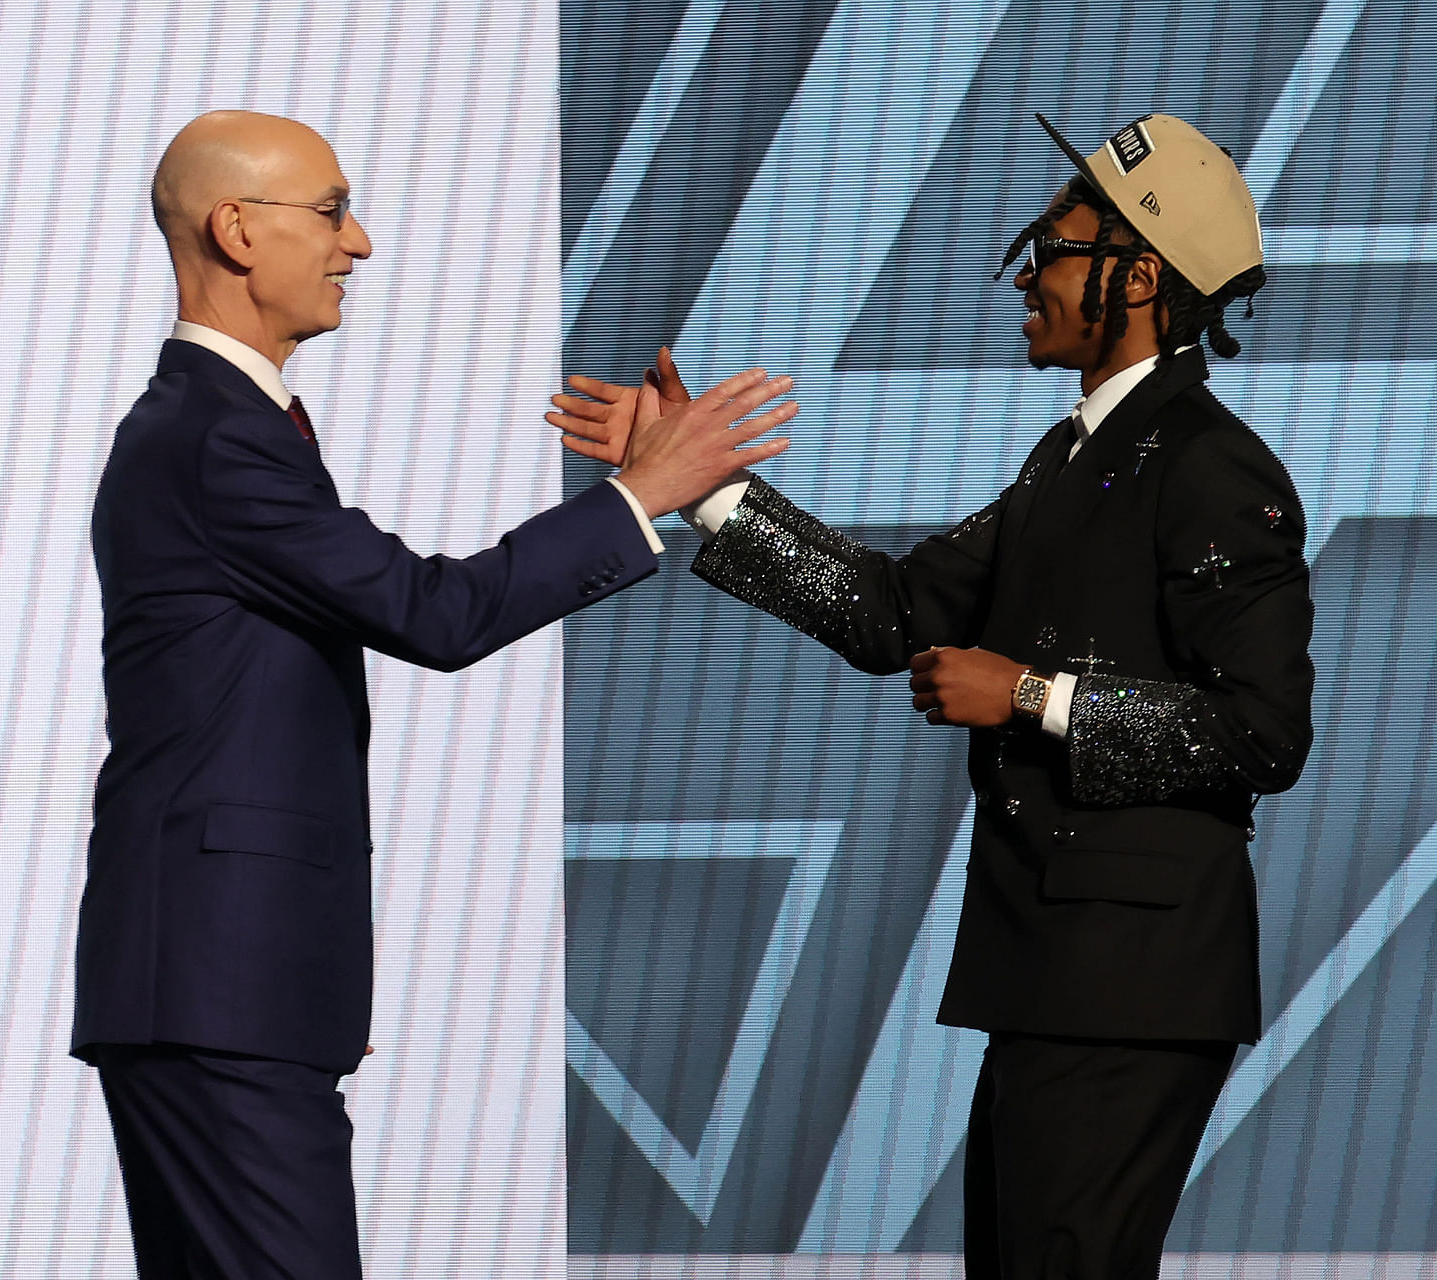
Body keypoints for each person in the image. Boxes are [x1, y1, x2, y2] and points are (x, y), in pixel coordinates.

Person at [554, 113, 1314, 1278]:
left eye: (1055, 245)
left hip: (1130, 983)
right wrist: (701, 486)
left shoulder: (1211, 466)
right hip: (1059, 968)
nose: (1027, 272)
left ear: (1141, 276)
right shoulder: (1069, 459)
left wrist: (1038, 696)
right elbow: (893, 612)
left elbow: (1262, 730)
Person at [72, 109, 797, 1279]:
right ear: (237, 229)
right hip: (215, 995)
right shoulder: (215, 439)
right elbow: (434, 611)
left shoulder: (215, 430)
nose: (357, 241)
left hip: (229, 991)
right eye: (330, 211)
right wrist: (639, 494)